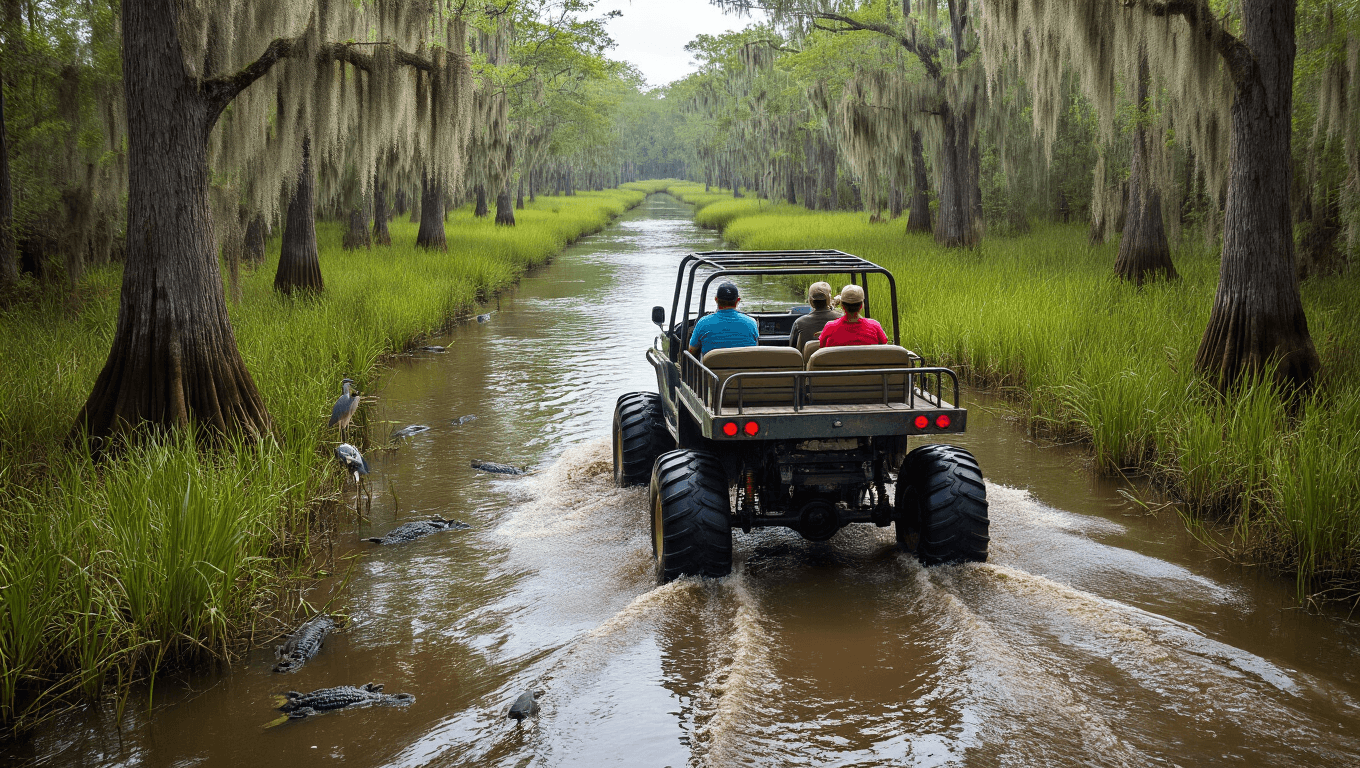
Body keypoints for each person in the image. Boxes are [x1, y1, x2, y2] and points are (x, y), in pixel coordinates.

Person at [687, 281, 758, 358]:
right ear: (738, 300)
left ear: (716, 299)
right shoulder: (752, 323)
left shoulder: (703, 322)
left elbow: (692, 350)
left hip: (711, 366)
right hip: (744, 365)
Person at [818, 284, 887, 347]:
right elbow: (885, 348)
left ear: (841, 305)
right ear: (862, 305)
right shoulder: (875, 326)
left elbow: (821, 347)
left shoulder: (829, 327)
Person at [789, 281, 842, 351]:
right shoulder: (841, 319)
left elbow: (792, 349)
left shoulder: (799, 323)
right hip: (834, 357)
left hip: (808, 358)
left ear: (811, 301)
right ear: (829, 300)